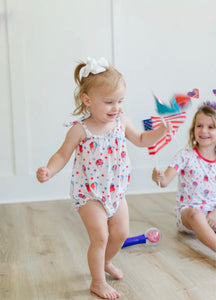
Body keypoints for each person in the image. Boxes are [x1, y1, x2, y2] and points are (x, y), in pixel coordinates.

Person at [36, 57, 170, 299]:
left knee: (120, 233)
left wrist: (158, 133)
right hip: (89, 193)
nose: (116, 107)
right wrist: (49, 170)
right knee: (101, 236)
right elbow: (62, 155)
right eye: (109, 102)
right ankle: (97, 281)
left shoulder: (121, 122)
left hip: (115, 190)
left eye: (120, 101)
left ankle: (105, 262)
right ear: (87, 100)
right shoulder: (80, 129)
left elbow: (140, 140)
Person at [152, 104, 216, 252]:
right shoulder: (185, 156)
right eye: (199, 125)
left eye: (211, 127)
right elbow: (165, 181)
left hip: (214, 214)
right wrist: (158, 177)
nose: (204, 131)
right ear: (193, 129)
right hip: (190, 216)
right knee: (195, 214)